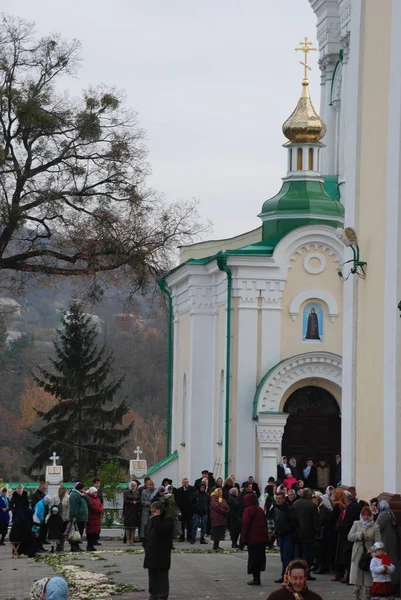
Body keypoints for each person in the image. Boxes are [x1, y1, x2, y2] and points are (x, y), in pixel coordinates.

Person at [348, 505, 381, 599]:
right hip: (357, 553)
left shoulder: (375, 526)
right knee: (356, 579)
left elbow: (379, 543)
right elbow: (349, 537)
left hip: (369, 554)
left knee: (368, 580)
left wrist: (372, 549)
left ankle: (368, 596)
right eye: (364, 515)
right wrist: (359, 535)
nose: (366, 517)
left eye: (368, 515)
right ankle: (356, 597)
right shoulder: (356, 524)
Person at [143, 501, 174, 600]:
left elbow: (161, 529)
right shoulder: (152, 519)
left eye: (153, 512)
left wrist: (156, 518)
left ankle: (162, 594)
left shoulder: (168, 519)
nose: (152, 514)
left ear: (158, 510)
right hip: (151, 551)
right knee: (152, 574)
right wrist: (146, 544)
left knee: (162, 575)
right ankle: (153, 593)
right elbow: (148, 533)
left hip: (162, 552)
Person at [241, 493, 268, 586]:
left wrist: (243, 540)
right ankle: (257, 578)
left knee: (253, 559)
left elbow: (245, 526)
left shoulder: (247, 511)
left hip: (252, 539)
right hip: (261, 539)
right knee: (259, 558)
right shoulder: (260, 510)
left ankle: (255, 579)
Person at [292, 488, 320, 576]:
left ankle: (297, 572)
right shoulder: (311, 505)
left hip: (297, 533)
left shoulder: (295, 504)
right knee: (308, 555)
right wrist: (317, 531)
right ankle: (306, 573)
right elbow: (316, 520)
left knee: (298, 555)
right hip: (309, 534)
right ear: (309, 495)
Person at [341, 491, 366, 584]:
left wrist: (340, 527)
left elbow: (347, 522)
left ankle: (349, 577)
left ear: (348, 501)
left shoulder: (351, 508)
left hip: (351, 533)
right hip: (357, 533)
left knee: (349, 557)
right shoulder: (358, 506)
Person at [273, 491, 298, 584]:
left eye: (280, 498)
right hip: (281, 536)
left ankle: (288, 576)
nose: (278, 500)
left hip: (288, 535)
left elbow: (293, 523)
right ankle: (284, 575)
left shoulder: (289, 509)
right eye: (277, 498)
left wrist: (285, 530)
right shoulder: (276, 509)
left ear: (284, 499)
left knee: (287, 557)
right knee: (283, 557)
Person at [376, 500, 399, 587]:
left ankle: (388, 582)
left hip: (385, 540)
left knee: (385, 561)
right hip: (391, 540)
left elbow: (377, 527)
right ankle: (393, 580)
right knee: (392, 560)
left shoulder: (383, 514)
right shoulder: (390, 513)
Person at [311, 494, 331, 574]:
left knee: (321, 551)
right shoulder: (317, 508)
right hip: (318, 533)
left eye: (315, 501)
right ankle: (317, 565)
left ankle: (322, 567)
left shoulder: (323, 509)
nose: (314, 503)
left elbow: (321, 520)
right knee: (317, 551)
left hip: (322, 533)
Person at [68, 482, 88, 552]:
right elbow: (74, 507)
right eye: (84, 488)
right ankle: (74, 546)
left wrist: (85, 494)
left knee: (79, 533)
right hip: (77, 518)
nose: (84, 490)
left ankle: (77, 546)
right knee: (75, 532)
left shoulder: (80, 495)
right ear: (80, 488)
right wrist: (74, 516)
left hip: (81, 518)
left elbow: (88, 501)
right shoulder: (74, 495)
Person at [175, 478, 195, 543]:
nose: (186, 484)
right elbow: (177, 500)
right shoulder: (179, 490)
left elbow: (194, 499)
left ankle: (189, 537)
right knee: (182, 525)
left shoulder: (192, 489)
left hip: (190, 510)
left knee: (190, 525)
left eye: (187, 482)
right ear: (182, 483)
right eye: (184, 482)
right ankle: (182, 537)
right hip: (182, 510)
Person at [123, 481, 141, 546]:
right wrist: (132, 502)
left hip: (135, 511)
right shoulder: (126, 492)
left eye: (134, 486)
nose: (133, 487)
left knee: (133, 526)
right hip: (128, 511)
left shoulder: (137, 492)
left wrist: (136, 502)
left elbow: (139, 500)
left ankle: (132, 540)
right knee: (128, 526)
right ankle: (128, 540)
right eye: (132, 486)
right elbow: (125, 500)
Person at [86, 486, 103, 552]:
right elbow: (92, 507)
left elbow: (100, 505)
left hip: (97, 518)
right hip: (92, 518)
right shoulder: (89, 499)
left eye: (96, 492)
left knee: (95, 533)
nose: (96, 494)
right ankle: (89, 545)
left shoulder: (97, 498)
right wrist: (99, 510)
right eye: (95, 492)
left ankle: (92, 545)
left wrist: (101, 509)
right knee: (90, 532)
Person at [265, 484, 277, 550]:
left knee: (272, 530)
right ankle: (270, 543)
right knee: (270, 531)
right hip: (270, 516)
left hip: (272, 516)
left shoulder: (271, 497)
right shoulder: (269, 498)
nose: (274, 490)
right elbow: (269, 507)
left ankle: (270, 543)